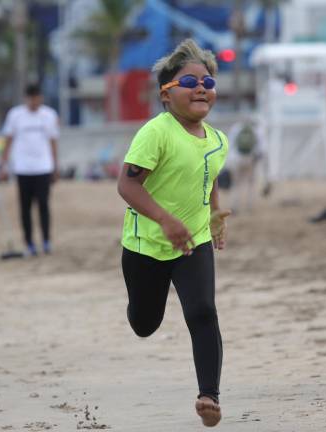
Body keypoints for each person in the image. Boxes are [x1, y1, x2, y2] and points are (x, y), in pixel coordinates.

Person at [116, 39, 231, 427]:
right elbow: (128, 185)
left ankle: (209, 395)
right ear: (166, 94)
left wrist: (214, 217)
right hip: (145, 245)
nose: (201, 88)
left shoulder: (218, 140)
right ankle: (137, 309)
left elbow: (208, 176)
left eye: (208, 82)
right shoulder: (156, 133)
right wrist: (165, 220)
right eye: (190, 82)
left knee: (203, 311)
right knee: (145, 324)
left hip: (193, 241)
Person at [0, 83, 60, 256]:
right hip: (23, 168)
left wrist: (55, 165)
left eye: (37, 98)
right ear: (26, 98)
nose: (34, 102)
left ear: (41, 98)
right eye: (31, 98)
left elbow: (53, 141)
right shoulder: (15, 115)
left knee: (43, 205)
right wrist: (3, 164)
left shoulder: (49, 115)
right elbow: (8, 140)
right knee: (25, 208)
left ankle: (46, 240)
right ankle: (29, 243)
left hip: (43, 167)